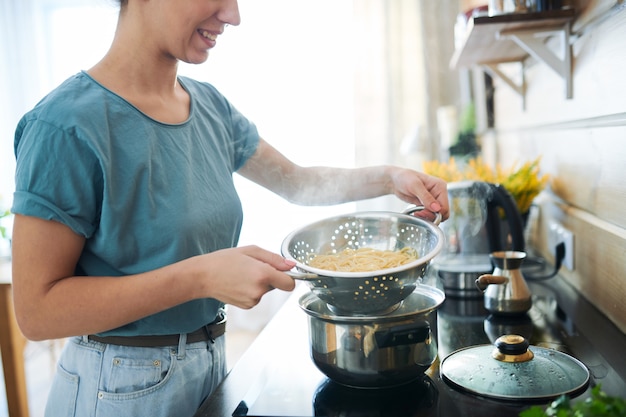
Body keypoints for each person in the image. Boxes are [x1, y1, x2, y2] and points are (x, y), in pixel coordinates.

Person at [11, 0, 449, 416]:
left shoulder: (208, 106)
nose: (234, 15)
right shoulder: (64, 125)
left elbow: (297, 182)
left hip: (208, 364)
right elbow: (37, 310)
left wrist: (391, 178)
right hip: (115, 389)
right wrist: (202, 276)